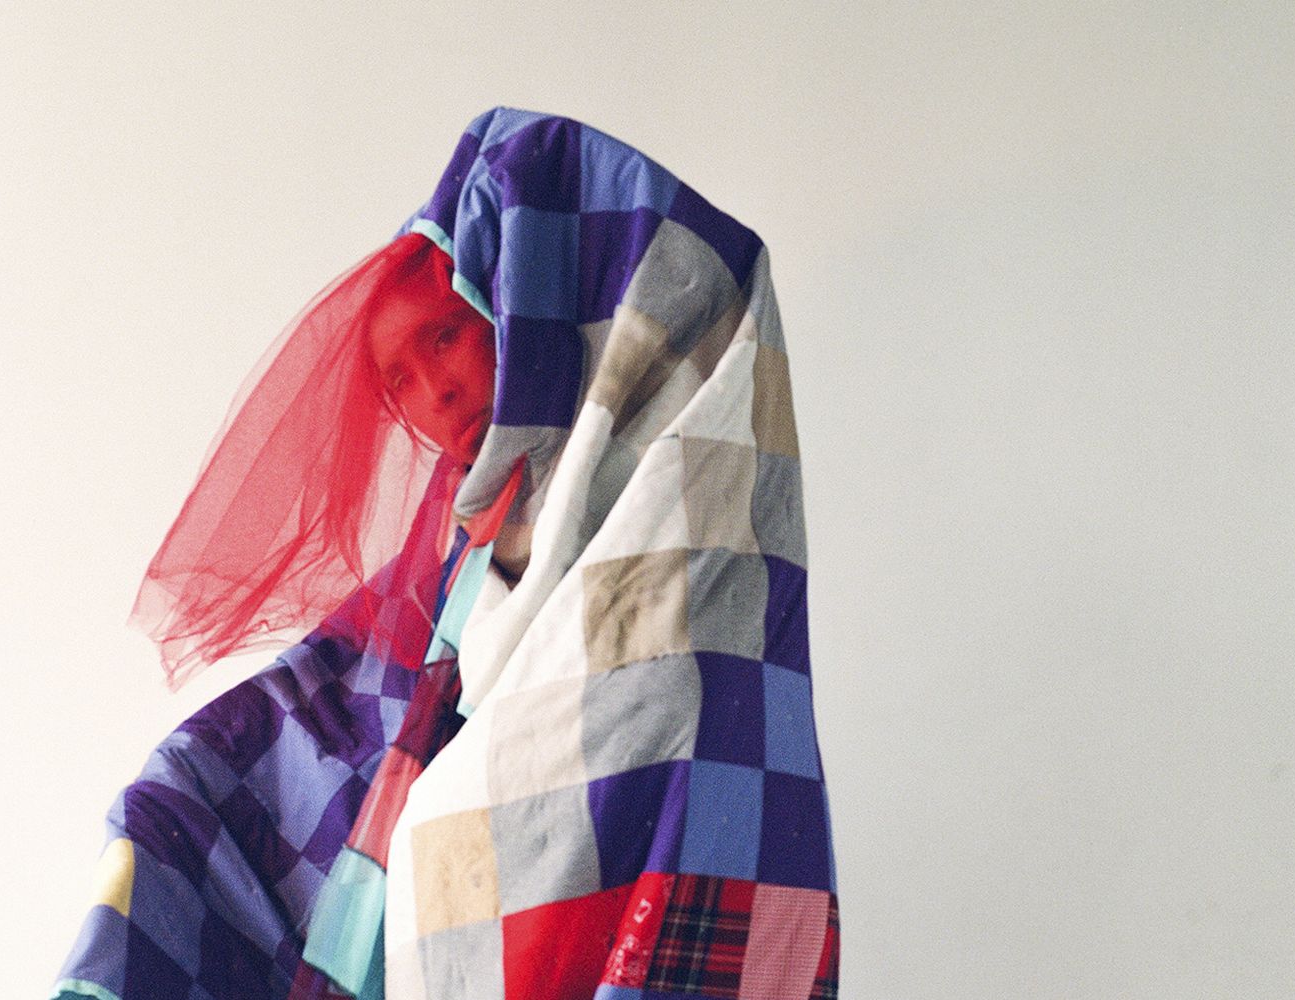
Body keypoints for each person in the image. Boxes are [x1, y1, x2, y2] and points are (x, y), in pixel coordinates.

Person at [49, 107, 838, 1000]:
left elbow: (697, 268)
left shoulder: (664, 473)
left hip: (654, 870)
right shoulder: (463, 545)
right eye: (399, 382)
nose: (437, 391)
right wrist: (184, 785)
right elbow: (335, 696)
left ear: (515, 311)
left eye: (445, 336)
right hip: (513, 898)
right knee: (187, 807)